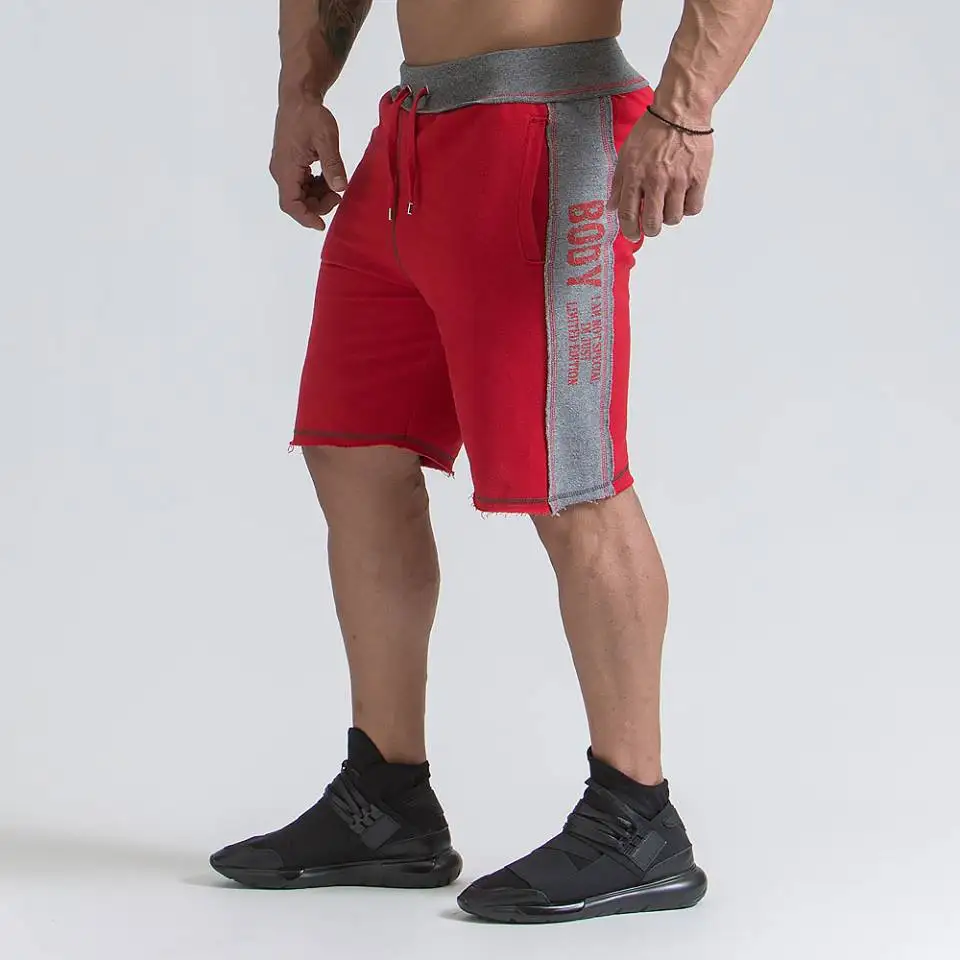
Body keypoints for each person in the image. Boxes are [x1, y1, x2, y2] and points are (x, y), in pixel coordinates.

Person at [210, 0, 772, 924]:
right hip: (414, 134)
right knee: (354, 449)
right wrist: (299, 92)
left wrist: (684, 112)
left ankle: (637, 818)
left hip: (545, 124)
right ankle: (386, 800)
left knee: (572, 481)